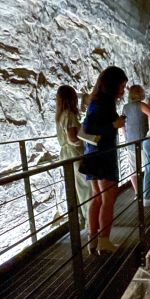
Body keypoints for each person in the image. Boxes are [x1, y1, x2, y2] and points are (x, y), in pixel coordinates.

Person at [80, 66, 128, 254]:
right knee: (108, 199)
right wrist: (113, 125)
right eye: (121, 86)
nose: (123, 90)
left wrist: (114, 124)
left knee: (98, 199)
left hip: (94, 156)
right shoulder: (101, 104)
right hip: (103, 157)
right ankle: (104, 241)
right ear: (112, 85)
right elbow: (91, 128)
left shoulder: (97, 102)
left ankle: (94, 241)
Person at [55, 85, 93, 227]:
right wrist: (85, 141)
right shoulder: (69, 115)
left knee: (74, 191)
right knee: (85, 189)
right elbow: (73, 138)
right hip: (74, 155)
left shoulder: (60, 116)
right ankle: (91, 223)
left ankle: (80, 222)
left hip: (65, 155)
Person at [121, 85, 149, 195]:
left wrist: (126, 137)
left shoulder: (125, 107)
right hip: (143, 141)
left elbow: (123, 124)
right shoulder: (142, 105)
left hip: (131, 141)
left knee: (133, 169)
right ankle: (147, 192)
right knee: (148, 167)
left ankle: (138, 193)